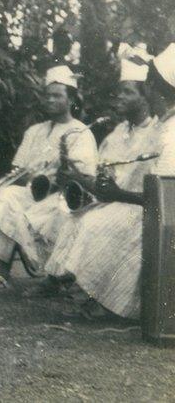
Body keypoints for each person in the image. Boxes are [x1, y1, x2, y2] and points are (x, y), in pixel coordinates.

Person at [54, 48, 175, 319]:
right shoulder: (166, 126)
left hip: (161, 217)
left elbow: (166, 197)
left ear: (157, 89)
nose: (149, 88)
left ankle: (112, 303)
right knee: (87, 218)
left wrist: (119, 194)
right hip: (150, 209)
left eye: (150, 83)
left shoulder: (171, 131)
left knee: (99, 223)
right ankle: (95, 295)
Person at [0, 66, 98, 289]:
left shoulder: (81, 132)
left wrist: (49, 179)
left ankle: (1, 272)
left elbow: (82, 176)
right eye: (47, 95)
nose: (50, 100)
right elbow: (18, 167)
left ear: (71, 100)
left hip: (53, 195)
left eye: (57, 95)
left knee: (9, 197)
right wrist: (22, 177)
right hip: (26, 186)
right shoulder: (35, 130)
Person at [24, 58, 157, 298]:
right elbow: (103, 173)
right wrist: (82, 179)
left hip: (137, 206)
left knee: (90, 223)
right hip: (111, 200)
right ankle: (57, 279)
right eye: (119, 92)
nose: (120, 97)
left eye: (128, 92)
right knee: (65, 215)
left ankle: (89, 292)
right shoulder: (118, 131)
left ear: (144, 97)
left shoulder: (155, 133)